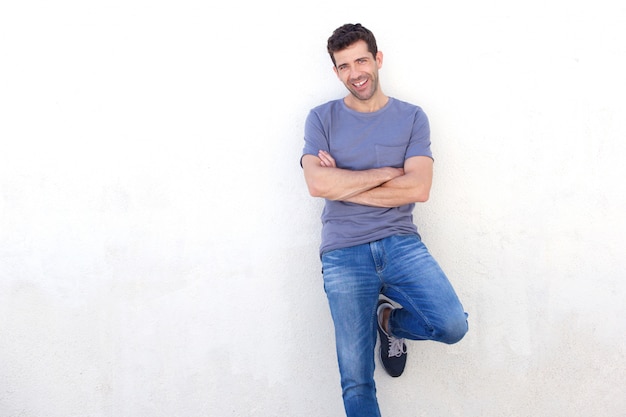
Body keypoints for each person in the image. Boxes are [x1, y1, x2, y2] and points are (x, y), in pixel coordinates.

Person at [300, 23, 469, 417]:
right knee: (356, 378)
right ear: (336, 72)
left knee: (451, 325)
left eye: (361, 60)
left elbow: (419, 189)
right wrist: (389, 172)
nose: (355, 72)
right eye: (344, 66)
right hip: (342, 251)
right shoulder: (321, 118)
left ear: (377, 59)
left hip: (399, 242)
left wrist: (344, 182)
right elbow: (316, 183)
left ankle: (389, 321)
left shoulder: (412, 117)